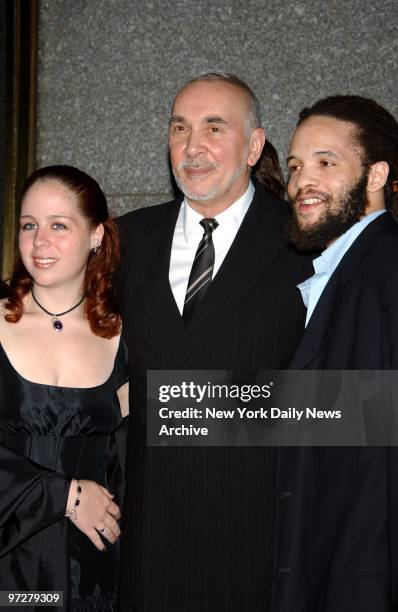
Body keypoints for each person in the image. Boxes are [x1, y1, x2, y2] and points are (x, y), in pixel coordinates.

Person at [117, 72, 312, 611]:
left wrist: (175, 403)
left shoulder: (307, 245)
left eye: (214, 127)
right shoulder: (126, 240)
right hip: (144, 545)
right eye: (180, 127)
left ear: (253, 147)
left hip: (256, 545)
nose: (192, 146)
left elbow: (359, 405)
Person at [274, 96, 398, 611]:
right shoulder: (347, 270)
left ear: (375, 175)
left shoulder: (383, 272)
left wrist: (178, 408)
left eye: (326, 162)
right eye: (297, 165)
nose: (303, 180)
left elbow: (365, 432)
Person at [0, 165, 128, 611]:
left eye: (59, 225)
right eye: (29, 225)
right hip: (10, 561)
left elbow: (135, 455)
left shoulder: (124, 336)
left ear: (96, 235)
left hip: (91, 570)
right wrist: (66, 494)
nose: (39, 242)